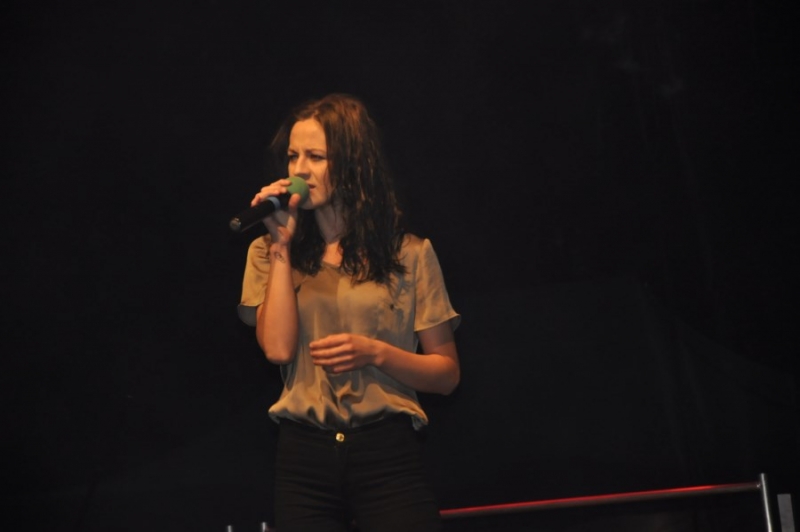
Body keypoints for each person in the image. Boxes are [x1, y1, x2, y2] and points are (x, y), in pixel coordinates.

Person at [237, 93, 461, 532]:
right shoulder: (268, 251)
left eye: (316, 157)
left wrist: (376, 353)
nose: (300, 170)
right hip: (304, 457)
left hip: (387, 452)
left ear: (354, 164)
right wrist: (281, 246)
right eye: (293, 156)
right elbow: (278, 349)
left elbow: (447, 374)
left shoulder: (409, 253)